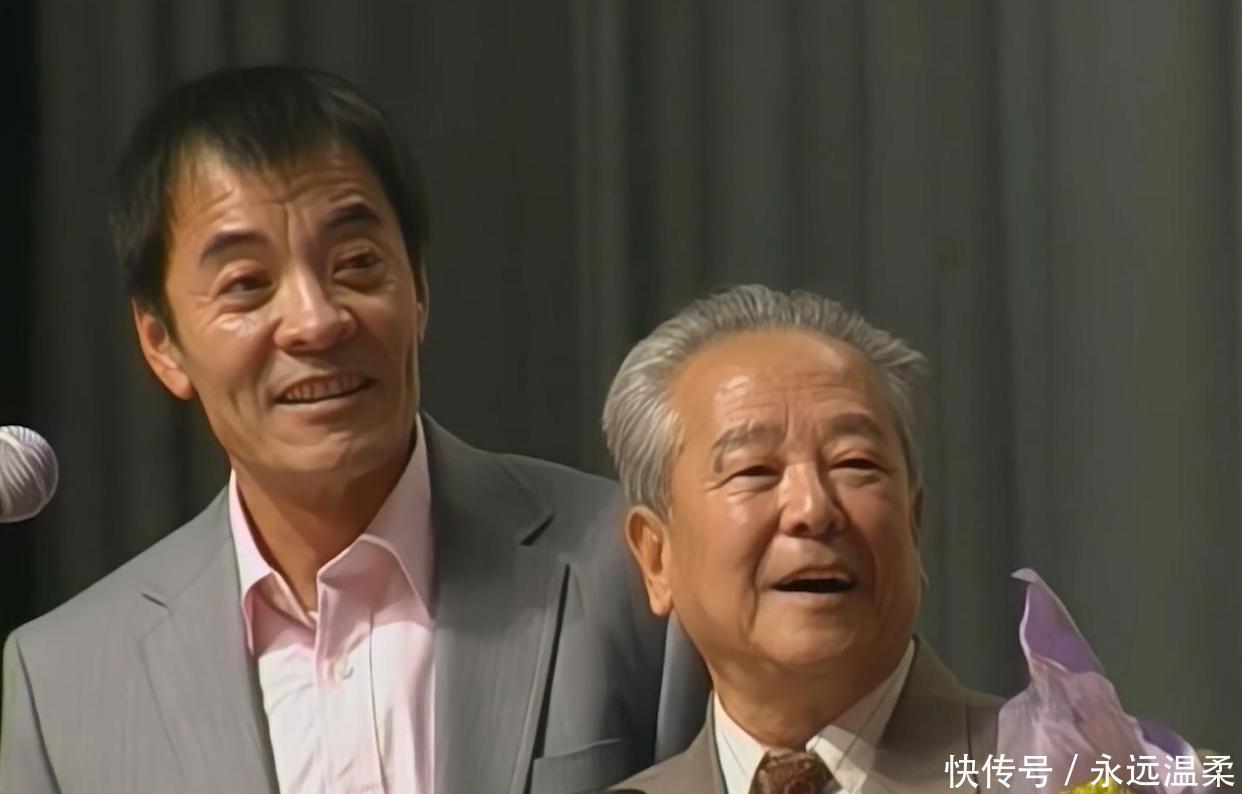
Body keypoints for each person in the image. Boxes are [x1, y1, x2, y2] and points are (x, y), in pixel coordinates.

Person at [0, 65, 700, 794]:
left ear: (419, 287)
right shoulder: (64, 684)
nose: (315, 320)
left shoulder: (633, 565)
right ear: (161, 343)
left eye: (357, 264)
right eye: (247, 285)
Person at [600, 285, 1000, 793]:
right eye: (754, 470)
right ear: (657, 559)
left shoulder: (1069, 770)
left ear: (912, 519)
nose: (813, 508)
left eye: (855, 463)